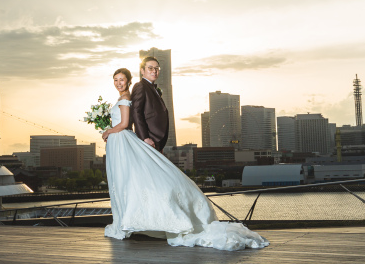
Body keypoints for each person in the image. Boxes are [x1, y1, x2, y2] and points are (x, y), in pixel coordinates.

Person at [101, 65, 269, 251]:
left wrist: (109, 130)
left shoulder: (126, 98)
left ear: (129, 81)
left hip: (122, 140)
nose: (118, 83)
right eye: (115, 80)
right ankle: (126, 220)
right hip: (119, 143)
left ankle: (135, 221)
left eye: (122, 79)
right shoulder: (123, 97)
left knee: (130, 180)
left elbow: (125, 123)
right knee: (125, 181)